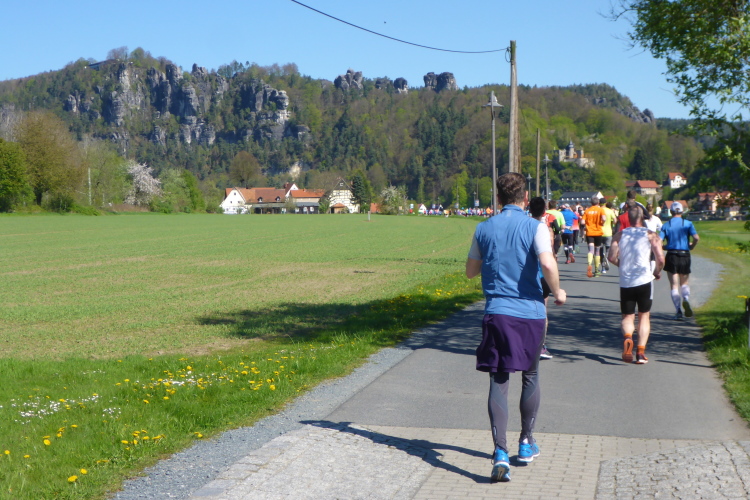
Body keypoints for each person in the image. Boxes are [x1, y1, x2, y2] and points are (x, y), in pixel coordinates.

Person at [466, 173, 566, 482]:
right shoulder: (536, 227)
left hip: (497, 312)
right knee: (531, 374)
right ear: (525, 197)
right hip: (530, 313)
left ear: (498, 198)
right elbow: (547, 263)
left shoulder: (483, 228)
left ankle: (500, 452)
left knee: (499, 379)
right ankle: (526, 441)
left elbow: (470, 271)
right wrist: (558, 291)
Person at [608, 206, 665, 364]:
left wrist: (622, 264)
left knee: (628, 316)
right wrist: (657, 271)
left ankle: (628, 337)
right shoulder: (651, 235)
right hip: (644, 279)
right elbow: (660, 258)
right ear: (643, 218)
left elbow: (611, 257)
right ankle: (640, 353)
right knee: (644, 315)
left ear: (628, 218)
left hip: (626, 281)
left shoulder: (619, 235)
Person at [660, 201, 700, 320]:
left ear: (671, 212)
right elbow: (696, 238)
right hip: (685, 255)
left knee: (674, 285)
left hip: (672, 255)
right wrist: (692, 246)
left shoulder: (666, 225)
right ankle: (686, 299)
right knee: (684, 283)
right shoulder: (687, 224)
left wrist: (664, 247)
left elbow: (659, 241)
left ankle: (678, 311)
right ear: (682, 211)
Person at [529, 197, 555, 360]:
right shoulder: (545, 230)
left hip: (527, 275)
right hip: (542, 275)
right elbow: (550, 255)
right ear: (544, 211)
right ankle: (541, 346)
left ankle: (524, 343)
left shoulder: (524, 227)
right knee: (542, 311)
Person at [583, 196, 607, 278]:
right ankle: (597, 270)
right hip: (598, 232)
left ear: (591, 203)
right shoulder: (600, 210)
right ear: (598, 203)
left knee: (591, 250)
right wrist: (602, 223)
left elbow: (582, 222)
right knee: (597, 251)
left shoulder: (587, 210)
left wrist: (586, 225)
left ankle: (589, 263)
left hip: (589, 233)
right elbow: (604, 218)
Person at [599, 200, 616, 274]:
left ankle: (603, 268)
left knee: (600, 250)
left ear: (599, 203)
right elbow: (615, 220)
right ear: (606, 203)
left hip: (599, 232)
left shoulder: (598, 210)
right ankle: (606, 257)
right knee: (608, 248)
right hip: (608, 232)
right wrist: (612, 224)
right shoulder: (610, 211)